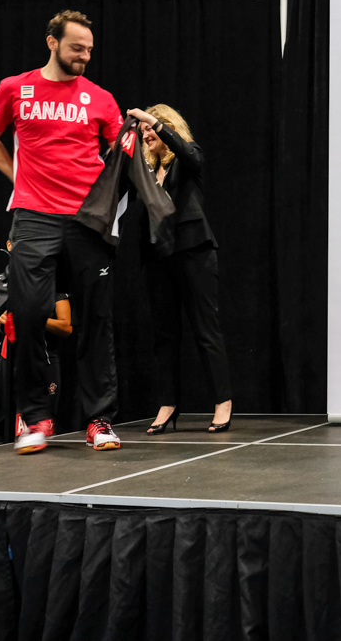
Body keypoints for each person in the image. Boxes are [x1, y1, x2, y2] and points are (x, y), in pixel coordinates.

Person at [0, 10, 125, 454]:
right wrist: (18, 176)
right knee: (30, 313)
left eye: (90, 50)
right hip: (34, 217)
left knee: (95, 320)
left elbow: (120, 154)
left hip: (87, 220)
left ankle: (98, 420)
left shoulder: (100, 98)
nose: (84, 56)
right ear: (52, 43)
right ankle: (36, 418)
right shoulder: (14, 88)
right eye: (77, 47)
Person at [126, 104, 233, 434]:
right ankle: (168, 404)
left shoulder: (188, 161)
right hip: (159, 259)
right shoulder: (145, 170)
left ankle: (222, 402)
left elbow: (189, 153)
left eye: (151, 130)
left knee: (205, 330)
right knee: (164, 336)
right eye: (143, 132)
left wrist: (152, 121)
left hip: (194, 254)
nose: (147, 134)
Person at [0, 239, 72, 426]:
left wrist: (32, 318)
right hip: (0, 365)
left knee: (42, 425)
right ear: (9, 245)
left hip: (43, 362)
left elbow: (66, 327)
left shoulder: (53, 282)